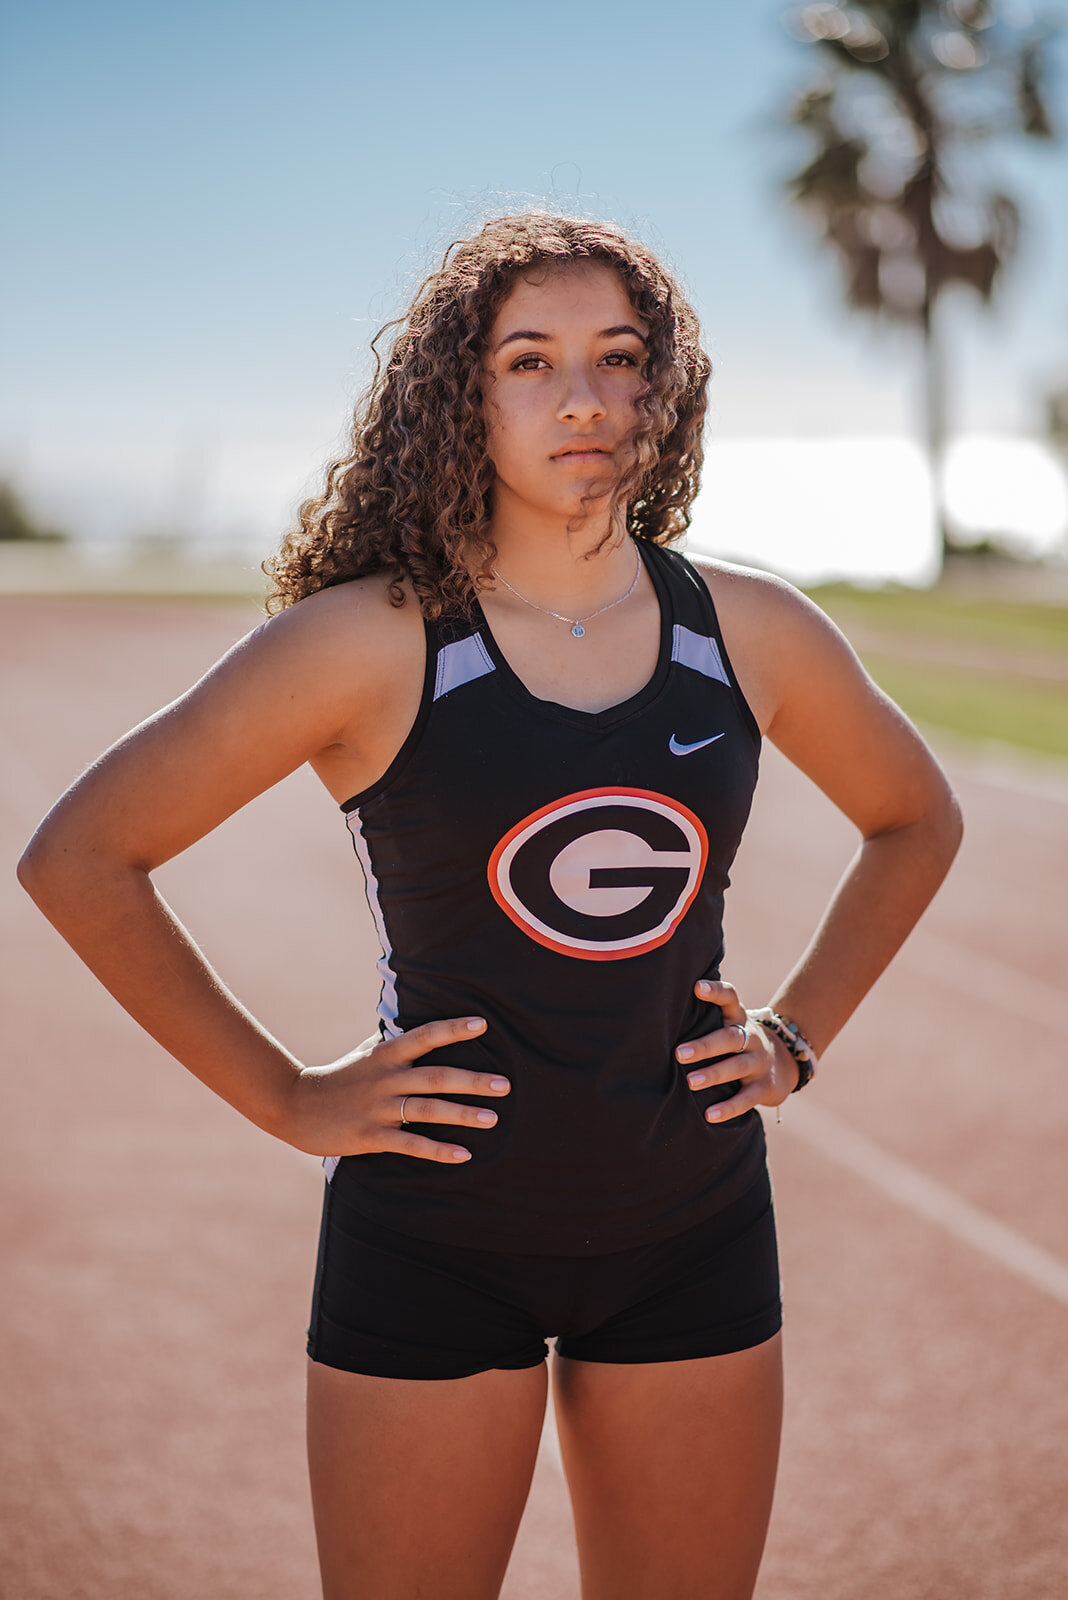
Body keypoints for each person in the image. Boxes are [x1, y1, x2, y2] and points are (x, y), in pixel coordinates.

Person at [17, 212, 963, 1600]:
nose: (583, 397)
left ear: (664, 390)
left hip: (691, 1227)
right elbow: (81, 856)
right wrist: (284, 1097)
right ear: (463, 393)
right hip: (435, 1243)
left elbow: (915, 818)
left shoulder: (744, 631)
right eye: (532, 361)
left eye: (618, 357)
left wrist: (797, 1035)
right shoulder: (376, 637)